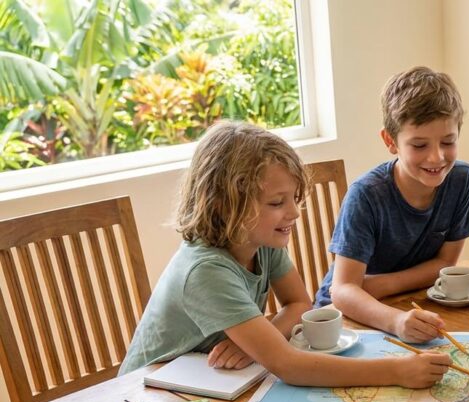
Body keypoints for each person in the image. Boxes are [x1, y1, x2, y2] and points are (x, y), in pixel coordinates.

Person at [120, 121, 451, 387]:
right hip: (148, 396)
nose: (294, 212)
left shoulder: (259, 240)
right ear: (225, 206)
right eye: (277, 203)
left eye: (294, 198)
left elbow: (300, 304)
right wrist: (396, 372)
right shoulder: (205, 270)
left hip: (214, 382)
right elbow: (289, 365)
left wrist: (257, 341)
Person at [314, 66, 469, 343]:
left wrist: (376, 285)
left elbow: (446, 262)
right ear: (390, 141)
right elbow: (342, 292)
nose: (437, 158)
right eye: (419, 145)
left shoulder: (461, 179)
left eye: (448, 142)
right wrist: (395, 319)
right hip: (345, 319)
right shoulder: (366, 195)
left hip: (405, 302)